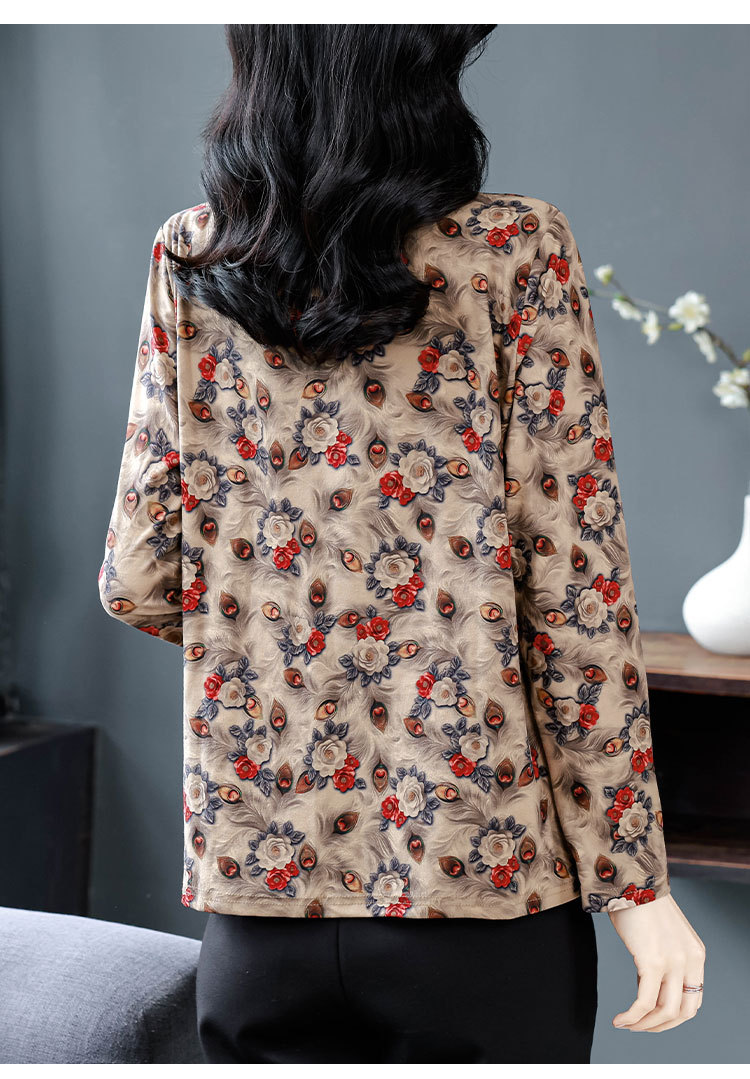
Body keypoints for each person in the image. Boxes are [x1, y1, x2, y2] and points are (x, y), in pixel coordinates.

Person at [97, 24, 705, 1064]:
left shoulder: (191, 255)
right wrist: (635, 884)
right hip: (484, 892)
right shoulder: (514, 249)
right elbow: (577, 602)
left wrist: (288, 638)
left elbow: (138, 577)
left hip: (258, 907)